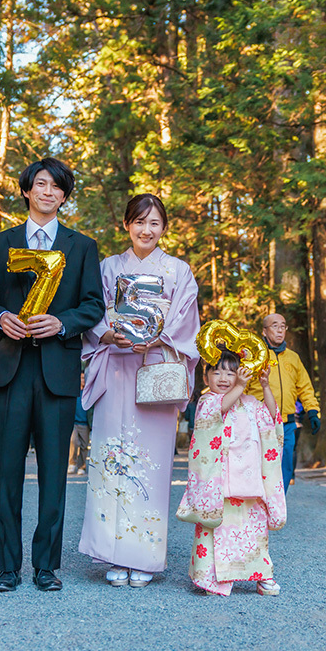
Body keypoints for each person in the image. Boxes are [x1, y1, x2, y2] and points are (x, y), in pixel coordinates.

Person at [0, 157, 105, 593]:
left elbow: (93, 305)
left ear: (64, 196)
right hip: (10, 369)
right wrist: (2, 316)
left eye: (57, 187)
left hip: (58, 370)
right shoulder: (1, 242)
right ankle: (7, 567)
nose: (48, 192)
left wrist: (62, 322)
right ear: (27, 190)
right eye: (40, 184)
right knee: (6, 472)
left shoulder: (81, 246)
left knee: (54, 473)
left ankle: (46, 566)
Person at [79, 193, 200, 589]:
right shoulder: (108, 267)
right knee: (111, 457)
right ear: (127, 225)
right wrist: (107, 333)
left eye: (154, 224)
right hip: (116, 364)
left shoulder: (178, 270)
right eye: (139, 222)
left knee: (152, 461)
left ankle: (144, 556)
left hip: (157, 367)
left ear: (164, 228)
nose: (146, 231)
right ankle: (112, 553)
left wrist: (157, 334)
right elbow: (93, 310)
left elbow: (185, 318)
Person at [176, 350, 287, 596]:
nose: (224, 377)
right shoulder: (208, 401)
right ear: (206, 377)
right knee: (214, 529)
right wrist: (241, 385)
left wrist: (265, 386)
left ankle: (261, 574)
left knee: (253, 531)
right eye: (216, 372)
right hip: (218, 483)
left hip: (249, 481)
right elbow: (221, 408)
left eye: (230, 372)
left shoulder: (249, 403)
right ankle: (209, 578)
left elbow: (271, 419)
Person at [245, 313, 319, 493]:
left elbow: (305, 387)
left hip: (287, 422)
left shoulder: (293, 358)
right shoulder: (253, 355)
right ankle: (256, 506)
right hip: (259, 421)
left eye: (283, 326)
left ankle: (278, 506)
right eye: (274, 325)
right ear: (264, 330)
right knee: (258, 464)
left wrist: (313, 410)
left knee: (285, 466)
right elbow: (243, 386)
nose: (280, 330)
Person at [68, 373, 90, 475]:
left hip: (85, 423)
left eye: (84, 378)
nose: (82, 380)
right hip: (73, 422)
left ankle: (82, 466)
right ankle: (72, 463)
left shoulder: (89, 392)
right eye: (81, 378)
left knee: (84, 446)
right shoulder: (74, 391)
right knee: (73, 441)